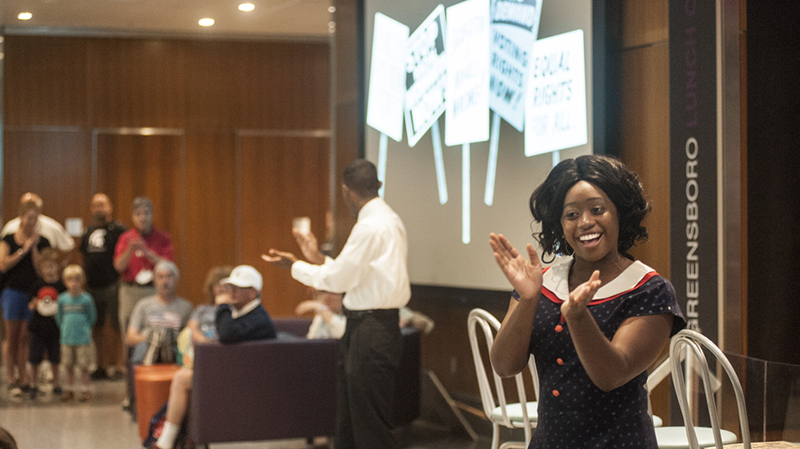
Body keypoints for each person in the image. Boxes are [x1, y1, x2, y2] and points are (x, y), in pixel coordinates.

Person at [488, 155, 686, 448]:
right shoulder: (541, 284)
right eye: (571, 214)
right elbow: (504, 366)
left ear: (620, 213)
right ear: (559, 224)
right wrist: (528, 299)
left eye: (597, 210)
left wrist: (578, 317)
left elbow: (612, 375)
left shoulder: (649, 289)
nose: (585, 222)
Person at [264, 159, 410, 449]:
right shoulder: (390, 220)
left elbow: (339, 281)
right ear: (379, 185)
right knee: (351, 426)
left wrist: (295, 265)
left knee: (368, 429)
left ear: (345, 190)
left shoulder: (369, 226)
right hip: (374, 328)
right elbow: (355, 275)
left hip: (370, 331)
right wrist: (317, 258)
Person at [149, 265, 277, 449]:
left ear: (253, 292)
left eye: (238, 288)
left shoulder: (257, 317)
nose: (231, 292)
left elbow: (227, 335)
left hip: (249, 381)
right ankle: (182, 439)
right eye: (231, 287)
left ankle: (167, 441)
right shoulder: (244, 312)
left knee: (182, 379)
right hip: (236, 373)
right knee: (184, 378)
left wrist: (223, 306)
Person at [0, 199, 51, 397]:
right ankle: (11, 379)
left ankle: (24, 378)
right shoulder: (8, 239)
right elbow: (3, 264)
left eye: (35, 218)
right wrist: (23, 250)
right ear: (21, 218)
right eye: (29, 218)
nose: (31, 222)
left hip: (32, 293)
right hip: (12, 292)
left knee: (24, 337)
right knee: (11, 336)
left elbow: (41, 271)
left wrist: (34, 248)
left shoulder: (42, 241)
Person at [80, 193, 127, 380]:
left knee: (117, 326)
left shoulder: (119, 230)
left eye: (102, 204)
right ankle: (101, 366)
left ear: (110, 207)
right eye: (95, 205)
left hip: (113, 284)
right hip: (92, 285)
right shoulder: (88, 231)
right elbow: (83, 256)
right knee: (96, 326)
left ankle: (120, 366)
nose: (98, 208)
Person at [114, 197, 174, 340]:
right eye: (138, 214)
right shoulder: (125, 238)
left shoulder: (163, 238)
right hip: (130, 291)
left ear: (152, 215)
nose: (143, 218)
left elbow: (169, 266)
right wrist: (130, 249)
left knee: (154, 330)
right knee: (128, 331)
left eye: (146, 213)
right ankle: (130, 356)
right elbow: (118, 266)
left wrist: (147, 252)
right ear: (133, 217)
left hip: (153, 290)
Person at [125, 261, 192, 364]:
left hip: (173, 350)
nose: (165, 281)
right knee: (143, 347)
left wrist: (168, 339)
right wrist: (154, 338)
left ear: (176, 280)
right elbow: (130, 338)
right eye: (160, 277)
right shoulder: (143, 305)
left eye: (169, 276)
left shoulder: (186, 307)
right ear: (155, 281)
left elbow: (190, 337)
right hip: (147, 349)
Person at [27, 249, 66, 399]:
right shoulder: (37, 285)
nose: (49, 270)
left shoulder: (61, 286)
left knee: (55, 357)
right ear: (42, 268)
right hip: (38, 327)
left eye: (52, 266)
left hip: (55, 327)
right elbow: (30, 304)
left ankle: (56, 384)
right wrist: (34, 304)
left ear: (57, 267)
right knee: (34, 357)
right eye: (46, 267)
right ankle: (33, 384)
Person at [55, 265, 97, 402]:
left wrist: (85, 329)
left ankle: (85, 389)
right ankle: (69, 389)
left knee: (84, 365)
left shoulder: (86, 299)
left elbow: (92, 317)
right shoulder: (62, 299)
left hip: (83, 338)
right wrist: (64, 328)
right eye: (70, 280)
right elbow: (59, 317)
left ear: (82, 281)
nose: (74, 283)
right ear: (65, 282)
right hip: (67, 338)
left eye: (77, 280)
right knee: (68, 365)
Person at [1, 192, 75, 255]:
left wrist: (62, 264)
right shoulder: (10, 227)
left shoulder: (52, 226)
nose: (32, 222)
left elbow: (69, 246)